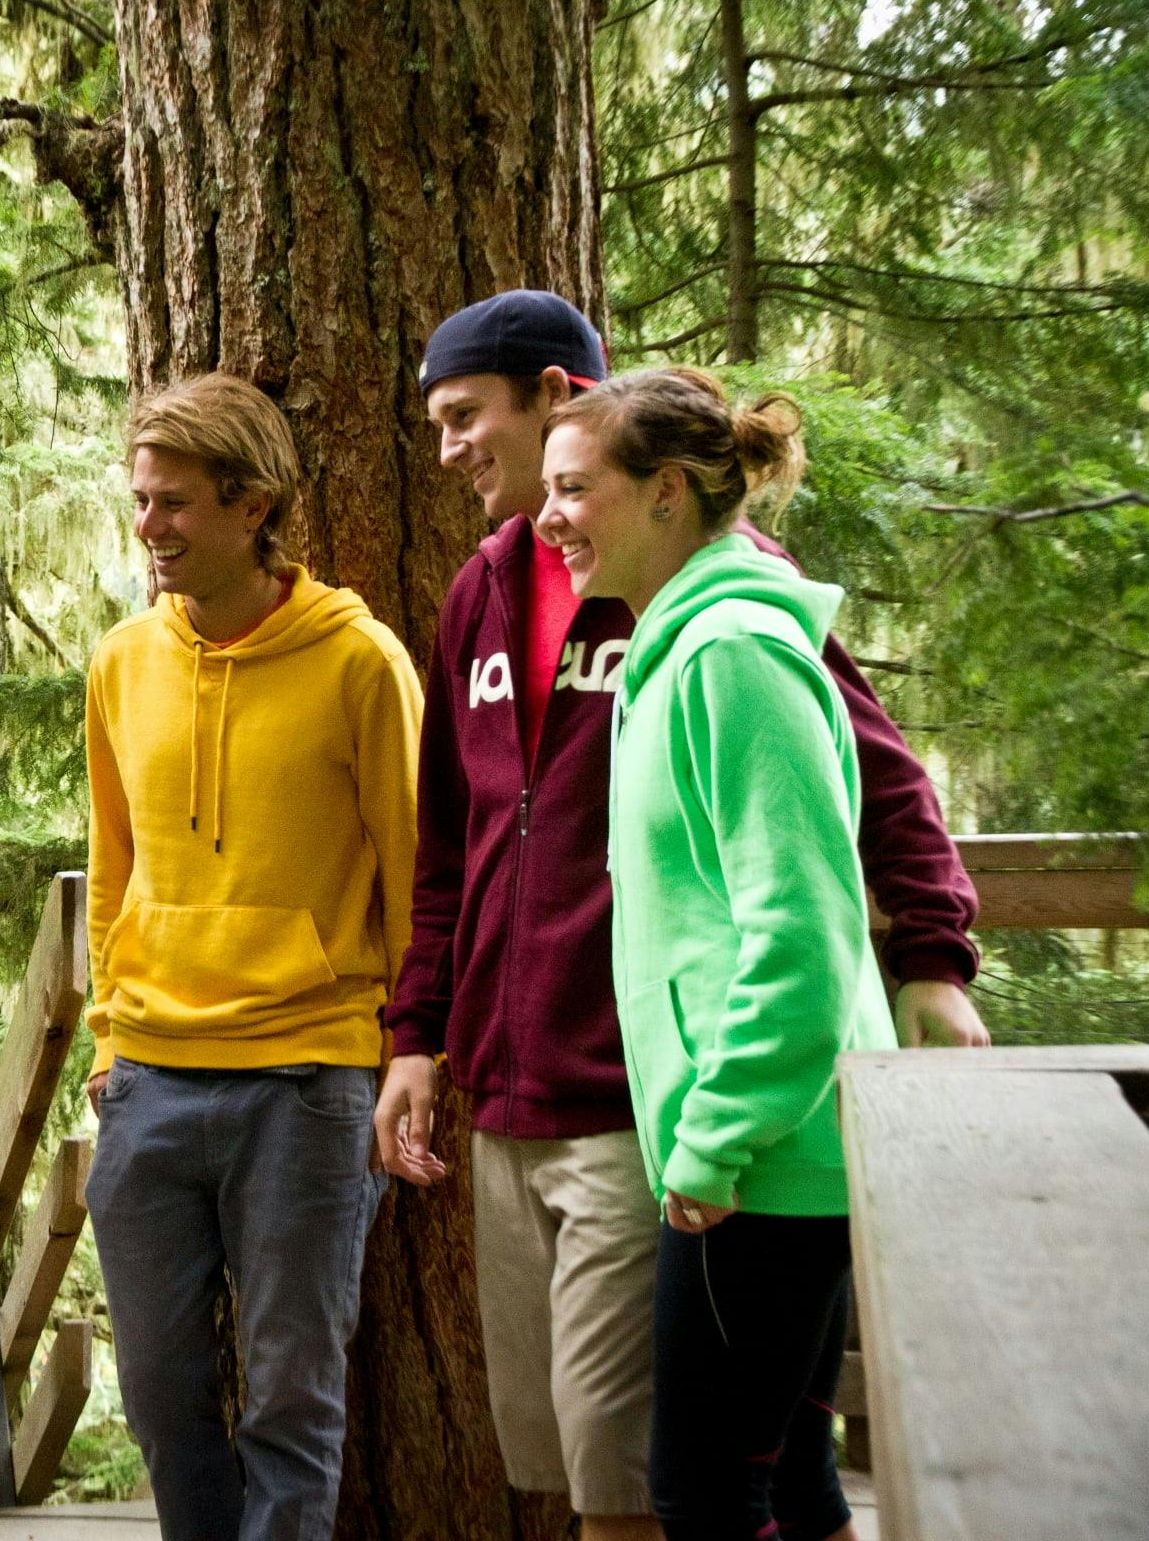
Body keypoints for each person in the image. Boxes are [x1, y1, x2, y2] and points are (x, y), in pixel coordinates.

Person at [376, 291, 986, 1541]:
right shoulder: (480, 598)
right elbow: (456, 847)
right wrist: (419, 1033)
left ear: (559, 400)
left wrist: (932, 955)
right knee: (613, 1472)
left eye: (462, 417)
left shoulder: (730, 615)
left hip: (667, 1106)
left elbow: (865, 786)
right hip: (511, 1087)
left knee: (671, 1487)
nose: (446, 451)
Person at [536, 367, 894, 1540]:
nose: (550, 519)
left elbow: (803, 929)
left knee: (699, 1489)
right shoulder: (674, 650)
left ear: (668, 494)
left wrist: (715, 1134)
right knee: (789, 1476)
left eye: (577, 489)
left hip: (766, 1160)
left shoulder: (733, 657)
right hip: (762, 1151)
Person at [82, 372, 420, 1541]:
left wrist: (408, 1053)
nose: (149, 527)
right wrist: (108, 1033)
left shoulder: (360, 663)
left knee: (292, 1402)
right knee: (162, 1399)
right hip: (150, 1084)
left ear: (254, 504)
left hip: (310, 1083)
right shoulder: (123, 663)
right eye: (140, 500)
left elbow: (416, 870)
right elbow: (112, 866)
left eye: (174, 503)